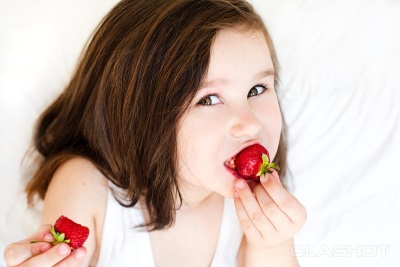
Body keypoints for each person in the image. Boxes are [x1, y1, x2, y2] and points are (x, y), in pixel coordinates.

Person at [3, 0, 307, 266]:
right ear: (142, 116)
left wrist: (274, 243)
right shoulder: (86, 187)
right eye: (209, 99)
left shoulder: (255, 209)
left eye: (257, 89)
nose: (250, 123)